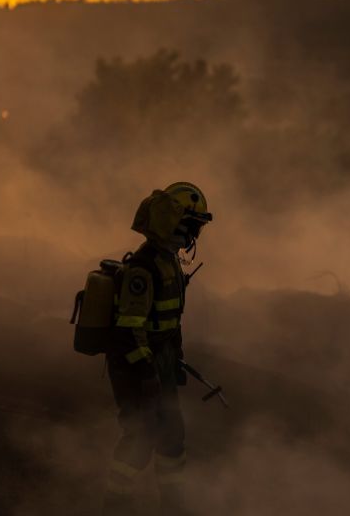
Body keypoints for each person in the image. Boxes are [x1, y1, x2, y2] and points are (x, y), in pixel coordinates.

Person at [102, 182, 212, 515]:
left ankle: (173, 505)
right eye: (192, 224)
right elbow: (129, 328)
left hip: (159, 364)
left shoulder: (169, 263)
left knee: (171, 435)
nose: (194, 233)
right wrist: (147, 374)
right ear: (173, 221)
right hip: (136, 367)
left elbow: (168, 323)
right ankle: (115, 505)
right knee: (140, 437)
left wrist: (172, 360)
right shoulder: (144, 267)